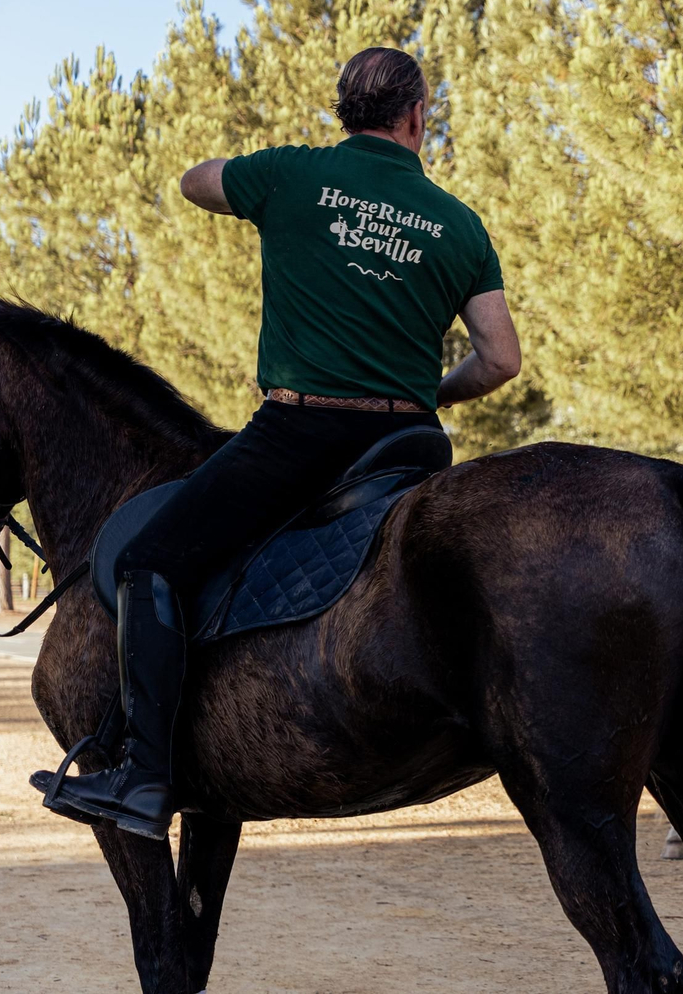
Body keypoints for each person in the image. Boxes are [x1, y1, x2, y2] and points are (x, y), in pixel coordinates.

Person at [32, 47, 522, 840]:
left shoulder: (293, 175)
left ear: (343, 114)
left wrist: (277, 182)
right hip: (411, 442)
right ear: (417, 117)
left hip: (304, 434)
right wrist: (432, 389)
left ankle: (144, 779)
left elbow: (195, 179)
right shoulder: (458, 223)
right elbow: (501, 358)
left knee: (150, 561)